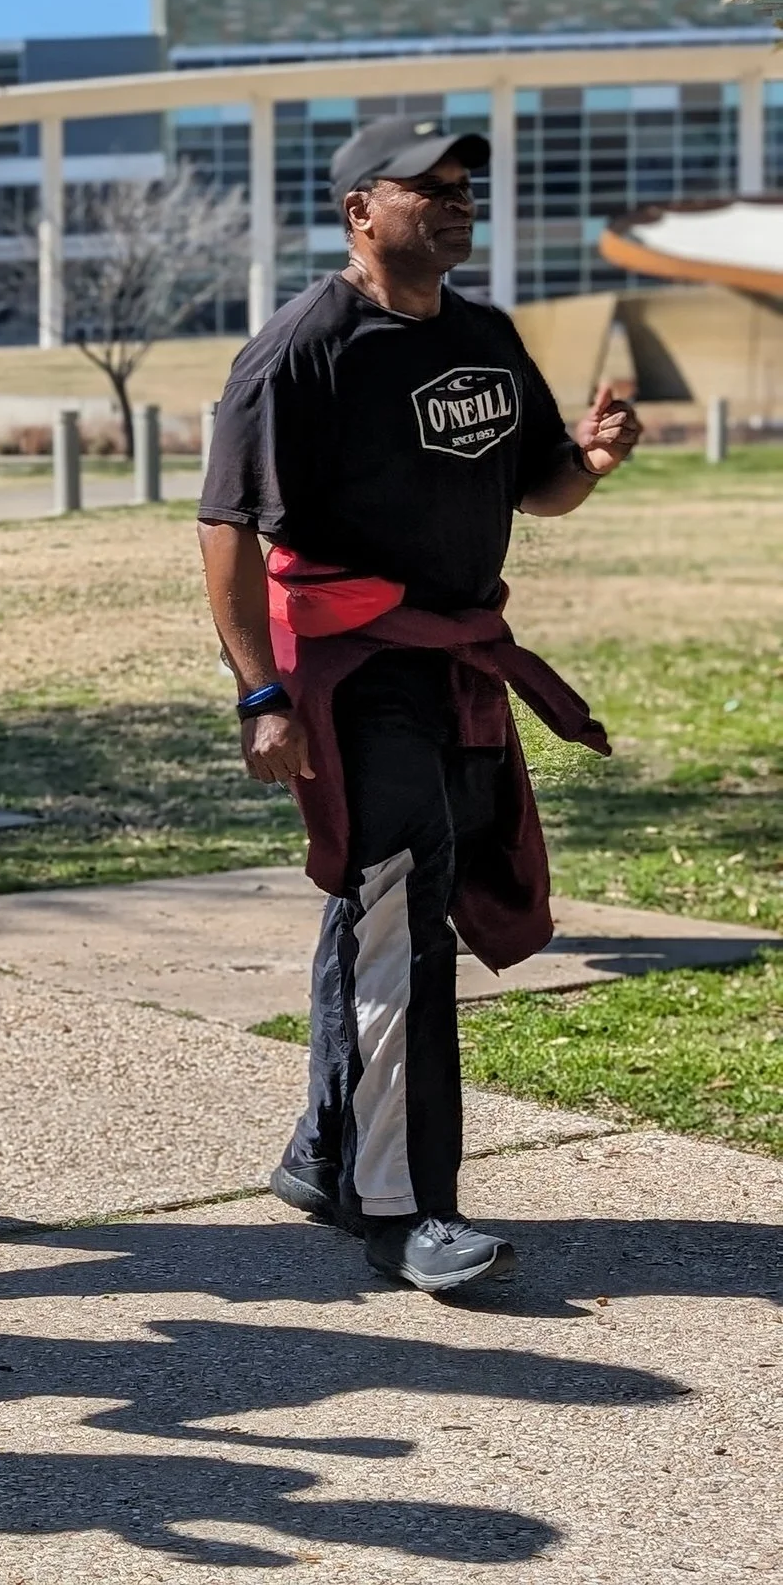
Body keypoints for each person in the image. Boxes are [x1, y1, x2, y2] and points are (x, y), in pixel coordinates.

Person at [198, 115, 637, 1294]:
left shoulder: (485, 336)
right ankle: (402, 1207)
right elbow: (224, 527)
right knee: (399, 911)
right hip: (354, 668)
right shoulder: (301, 350)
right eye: (427, 187)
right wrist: (259, 692)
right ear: (358, 210)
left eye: (462, 186)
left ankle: (323, 1150)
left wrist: (589, 463)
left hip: (456, 661)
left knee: (386, 904)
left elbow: (537, 487)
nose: (455, 201)